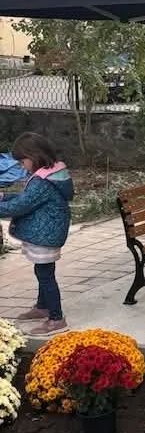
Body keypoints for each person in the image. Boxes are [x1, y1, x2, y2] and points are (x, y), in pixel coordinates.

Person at [0, 133, 74, 336]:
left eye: (22, 161)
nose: (22, 166)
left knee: (45, 275)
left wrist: (5, 203)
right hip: (47, 232)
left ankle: (56, 319)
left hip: (46, 235)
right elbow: (27, 198)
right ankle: (43, 307)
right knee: (43, 272)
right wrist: (4, 196)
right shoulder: (51, 173)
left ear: (35, 156)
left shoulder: (43, 181)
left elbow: (21, 205)